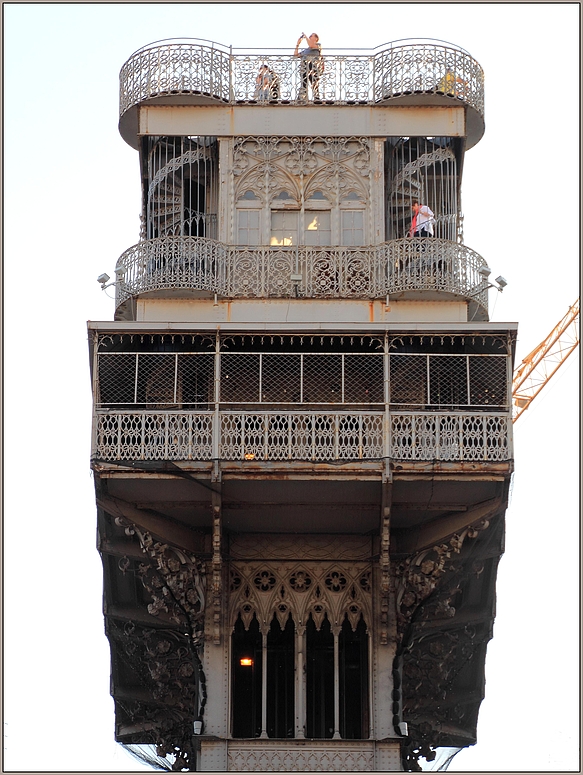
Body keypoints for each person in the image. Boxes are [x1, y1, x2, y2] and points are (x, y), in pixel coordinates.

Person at [294, 32, 323, 100]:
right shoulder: (306, 50)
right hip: (304, 66)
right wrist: (297, 44)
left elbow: (311, 45)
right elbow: (295, 55)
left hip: (313, 66)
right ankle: (302, 98)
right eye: (309, 36)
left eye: (311, 36)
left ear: (316, 38)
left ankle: (316, 98)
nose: (309, 37)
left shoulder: (318, 45)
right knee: (304, 82)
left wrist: (305, 36)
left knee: (313, 82)